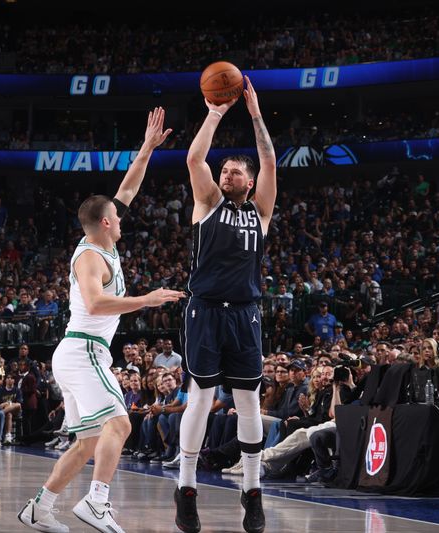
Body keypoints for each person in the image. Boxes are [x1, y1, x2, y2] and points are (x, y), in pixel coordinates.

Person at [18, 107, 182, 533]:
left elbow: (128, 186)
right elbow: (93, 304)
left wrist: (147, 147)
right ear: (107, 222)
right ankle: (97, 502)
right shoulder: (92, 255)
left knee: (89, 440)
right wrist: (145, 299)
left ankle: (40, 507)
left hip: (76, 353)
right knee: (122, 423)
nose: (123, 216)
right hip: (84, 350)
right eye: (118, 214)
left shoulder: (101, 236)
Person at [175, 77, 274, 533]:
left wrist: (254, 113)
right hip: (206, 310)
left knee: (249, 400)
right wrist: (215, 112)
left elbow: (270, 158)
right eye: (225, 170)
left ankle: (252, 493)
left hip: (245, 313)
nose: (227, 174)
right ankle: (187, 487)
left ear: (250, 182)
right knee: (200, 398)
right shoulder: (208, 202)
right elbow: (194, 157)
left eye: (236, 171)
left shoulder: (261, 211)